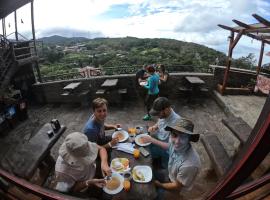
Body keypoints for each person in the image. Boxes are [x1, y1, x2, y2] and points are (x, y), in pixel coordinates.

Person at [142, 118, 201, 199]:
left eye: (183, 137)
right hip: (171, 174)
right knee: (148, 173)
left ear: (189, 139)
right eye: (174, 135)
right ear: (171, 134)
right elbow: (169, 146)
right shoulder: (177, 145)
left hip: (177, 189)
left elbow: (177, 186)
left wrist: (159, 185)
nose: (177, 142)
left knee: (153, 195)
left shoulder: (189, 164)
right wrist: (151, 140)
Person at [54, 132, 111, 198]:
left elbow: (101, 149)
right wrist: (88, 182)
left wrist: (104, 163)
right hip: (85, 186)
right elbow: (72, 190)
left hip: (93, 170)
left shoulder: (81, 145)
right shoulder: (62, 173)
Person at [148, 97, 181, 168]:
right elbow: (160, 121)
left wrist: (152, 140)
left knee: (149, 149)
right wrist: (154, 127)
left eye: (158, 114)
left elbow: (171, 147)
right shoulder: (164, 115)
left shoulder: (176, 124)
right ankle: (156, 160)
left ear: (166, 110)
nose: (157, 116)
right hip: (160, 139)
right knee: (146, 146)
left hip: (169, 151)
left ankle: (166, 169)